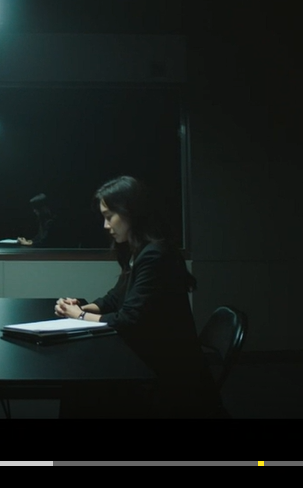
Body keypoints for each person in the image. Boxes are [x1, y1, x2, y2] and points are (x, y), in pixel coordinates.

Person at [53, 175, 225, 418]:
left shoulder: (156, 255)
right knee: (80, 383)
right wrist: (80, 307)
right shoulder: (138, 251)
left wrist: (79, 316)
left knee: (80, 387)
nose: (105, 226)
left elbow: (129, 320)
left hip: (167, 376)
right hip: (150, 360)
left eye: (109, 216)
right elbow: (115, 299)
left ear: (130, 212)